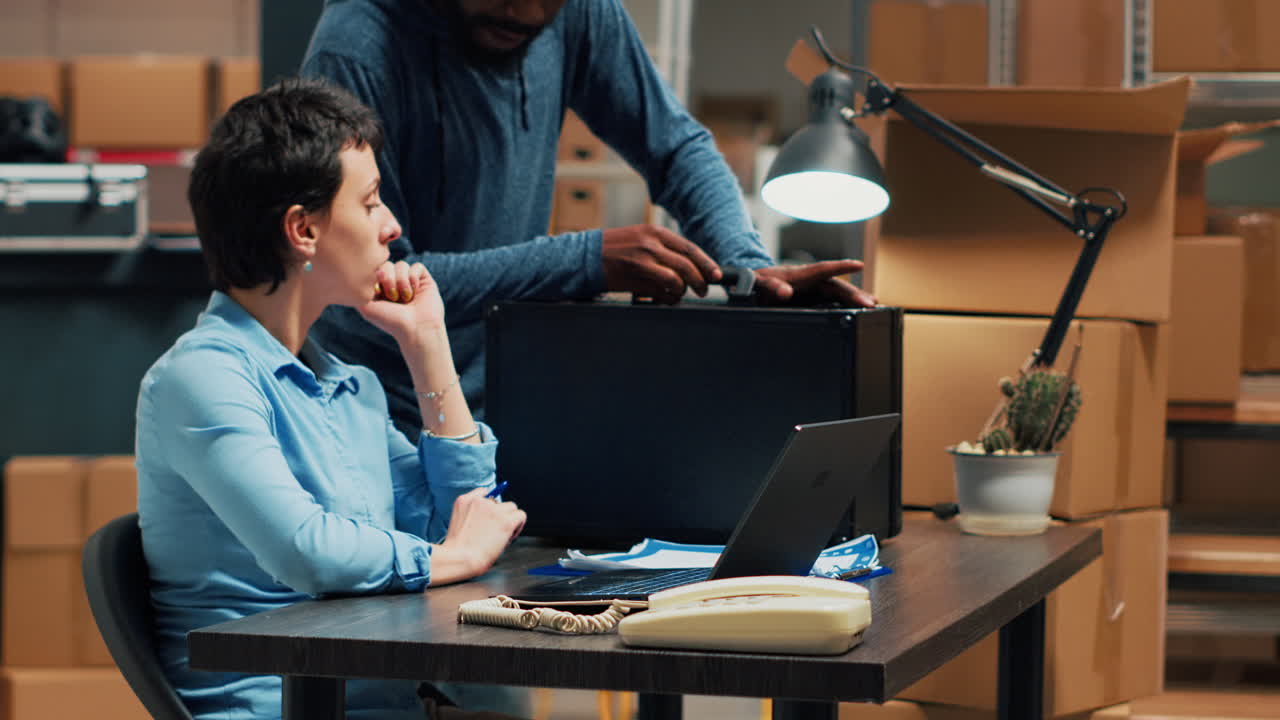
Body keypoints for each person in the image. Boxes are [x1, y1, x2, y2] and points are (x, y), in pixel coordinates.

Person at [136, 78, 527, 720]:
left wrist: (428, 342)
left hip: (379, 697)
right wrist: (452, 555)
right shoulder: (201, 380)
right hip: (278, 705)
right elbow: (307, 550)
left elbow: (465, 519)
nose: (392, 227)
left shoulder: (350, 387)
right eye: (370, 203)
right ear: (303, 230)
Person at [302, 0, 879, 435]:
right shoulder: (357, 45)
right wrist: (583, 261)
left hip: (503, 404)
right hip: (378, 416)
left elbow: (675, 149)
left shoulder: (576, 12)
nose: (526, 10)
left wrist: (752, 268)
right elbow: (375, 287)